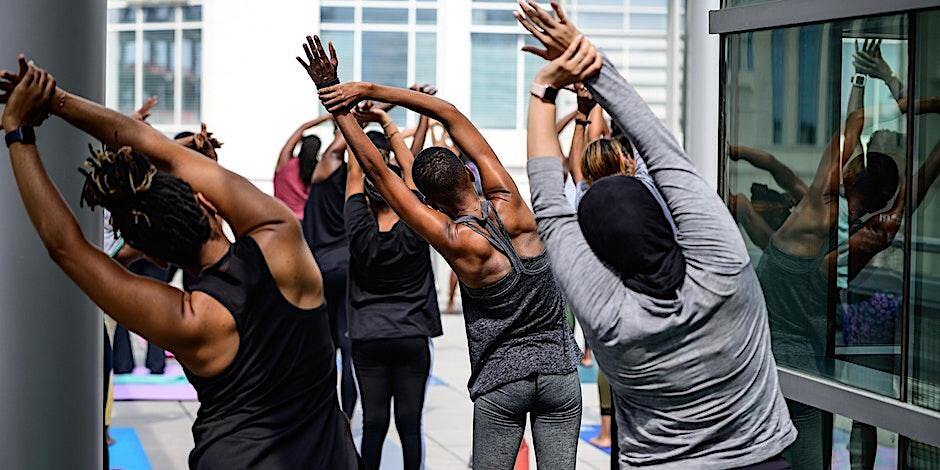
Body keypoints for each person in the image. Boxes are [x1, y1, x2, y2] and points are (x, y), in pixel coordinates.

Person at [0, 56, 360, 469]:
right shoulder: (280, 237)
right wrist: (56, 100)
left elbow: (66, 246)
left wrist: (19, 133)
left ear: (152, 255)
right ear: (207, 202)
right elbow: (161, 151)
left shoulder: (191, 319)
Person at [516, 3, 796, 467]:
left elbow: (549, 205)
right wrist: (587, 59)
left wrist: (543, 91)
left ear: (599, 252)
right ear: (660, 217)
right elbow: (661, 149)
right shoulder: (722, 263)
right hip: (761, 459)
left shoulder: (607, 313)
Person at [297, 35, 582, 469]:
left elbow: (376, 170)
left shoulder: (456, 241)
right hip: (560, 372)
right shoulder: (511, 202)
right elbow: (449, 114)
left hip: (501, 380)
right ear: (469, 175)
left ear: (430, 201)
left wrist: (337, 102)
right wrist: (372, 90)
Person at [343, 101, 443, 470]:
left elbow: (356, 173)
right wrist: (386, 122)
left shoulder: (357, 228)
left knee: (373, 426)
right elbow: (414, 176)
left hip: (369, 337)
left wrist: (349, 121)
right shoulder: (416, 228)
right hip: (411, 334)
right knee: (410, 428)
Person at [275, 114, 332, 219]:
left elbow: (302, 128)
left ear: (302, 146)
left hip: (281, 218)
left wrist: (326, 118)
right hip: (306, 221)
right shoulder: (318, 170)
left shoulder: (285, 163)